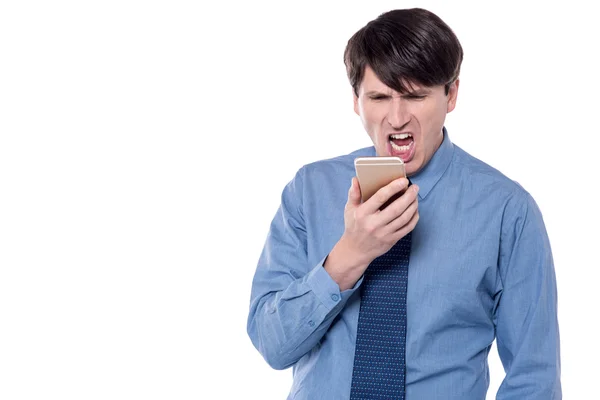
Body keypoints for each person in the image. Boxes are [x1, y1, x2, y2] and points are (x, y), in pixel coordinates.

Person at [247, 7, 560, 399]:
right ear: (356, 101)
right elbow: (273, 346)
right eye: (378, 96)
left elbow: (533, 379)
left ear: (452, 95)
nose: (396, 118)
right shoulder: (309, 190)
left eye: (415, 96)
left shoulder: (507, 211)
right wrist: (349, 256)